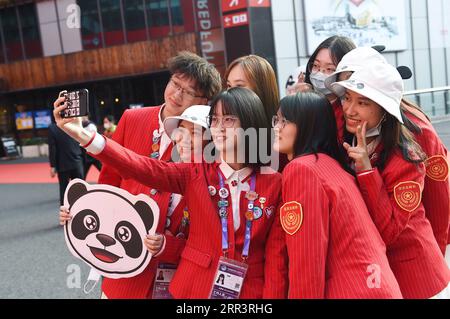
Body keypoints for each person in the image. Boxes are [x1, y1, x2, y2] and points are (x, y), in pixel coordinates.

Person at [54, 87, 288, 299]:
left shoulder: (274, 183)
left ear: (250, 124)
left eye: (228, 119)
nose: (218, 128)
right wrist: (84, 136)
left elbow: (276, 257)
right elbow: (139, 166)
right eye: (215, 120)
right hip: (192, 290)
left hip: (249, 292)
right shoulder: (194, 173)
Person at [57, 51, 222, 299]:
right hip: (124, 259)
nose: (177, 94)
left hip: (176, 269)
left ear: (204, 101)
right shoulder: (133, 119)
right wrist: (80, 209)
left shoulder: (207, 141)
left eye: (187, 91)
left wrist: (170, 246)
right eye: (175, 84)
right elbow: (108, 184)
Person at [329, 62, 450, 299]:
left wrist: (365, 171)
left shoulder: (408, 158)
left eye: (362, 102)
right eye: (347, 98)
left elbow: (389, 229)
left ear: (385, 109)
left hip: (417, 280)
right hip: (380, 277)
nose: (350, 109)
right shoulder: (352, 139)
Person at [273, 92, 402, 299]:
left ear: (308, 126)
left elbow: (308, 258)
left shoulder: (301, 169)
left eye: (285, 121)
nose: (276, 128)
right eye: (276, 120)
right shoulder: (329, 163)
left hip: (352, 290)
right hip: (376, 286)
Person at [224, 55, 285, 171]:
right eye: (228, 86)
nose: (230, 93)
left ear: (261, 89)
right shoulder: (224, 131)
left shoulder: (282, 134)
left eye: (239, 86)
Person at [48, 122, 84, 205]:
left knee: (64, 188)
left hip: (62, 163)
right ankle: (82, 205)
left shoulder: (53, 128)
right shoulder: (74, 124)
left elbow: (52, 148)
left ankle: (65, 209)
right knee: (80, 186)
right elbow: (81, 142)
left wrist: (53, 166)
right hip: (77, 160)